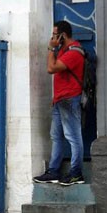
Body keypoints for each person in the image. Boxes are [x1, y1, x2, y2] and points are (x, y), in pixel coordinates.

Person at [34, 20, 85, 186]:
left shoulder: (74, 52)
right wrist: (55, 98)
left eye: (55, 35)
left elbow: (51, 68)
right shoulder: (63, 50)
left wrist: (51, 49)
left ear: (63, 35)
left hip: (70, 99)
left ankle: (76, 173)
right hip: (59, 100)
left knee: (73, 137)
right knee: (56, 136)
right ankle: (54, 171)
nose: (52, 38)